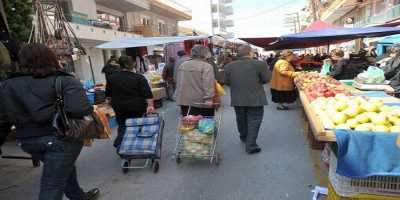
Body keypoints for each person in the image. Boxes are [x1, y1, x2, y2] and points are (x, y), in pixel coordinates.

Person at [0, 43, 99, 200]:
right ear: (50, 58)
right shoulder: (64, 80)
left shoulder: (7, 84)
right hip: (60, 139)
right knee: (52, 185)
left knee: (62, 169)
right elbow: (82, 109)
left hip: (27, 141)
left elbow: (3, 118)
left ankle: (78, 197)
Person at [224, 45, 271, 154]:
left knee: (241, 119)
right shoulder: (260, 64)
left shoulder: (229, 66)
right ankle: (251, 145)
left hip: (237, 98)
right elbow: (267, 79)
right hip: (256, 98)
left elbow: (226, 81)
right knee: (254, 120)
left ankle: (244, 136)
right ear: (250, 53)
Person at [106, 56, 155, 148]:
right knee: (137, 124)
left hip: (119, 106)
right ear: (133, 64)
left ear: (119, 65)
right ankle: (136, 144)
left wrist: (109, 104)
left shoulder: (112, 78)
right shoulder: (139, 77)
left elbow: (108, 95)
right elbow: (147, 94)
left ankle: (120, 142)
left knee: (122, 125)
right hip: (136, 106)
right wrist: (150, 105)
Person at [175, 45, 216, 116]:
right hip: (200, 102)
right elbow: (208, 84)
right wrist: (209, 99)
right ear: (205, 54)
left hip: (184, 100)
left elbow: (177, 81)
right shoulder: (206, 66)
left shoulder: (183, 65)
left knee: (188, 124)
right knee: (204, 124)